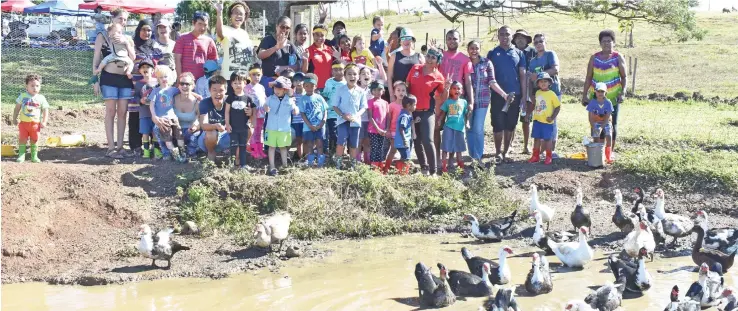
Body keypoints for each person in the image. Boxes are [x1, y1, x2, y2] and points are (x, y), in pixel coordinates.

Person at [92, 8, 134, 159]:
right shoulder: (102, 36)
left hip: (125, 80)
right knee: (111, 111)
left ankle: (121, 146)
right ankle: (111, 148)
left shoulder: (128, 38)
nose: (123, 22)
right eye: (120, 18)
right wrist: (94, 80)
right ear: (113, 18)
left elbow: (133, 58)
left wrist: (126, 44)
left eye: (125, 20)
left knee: (123, 113)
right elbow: (96, 59)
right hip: (108, 78)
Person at [487, 25, 527, 164]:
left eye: (507, 34)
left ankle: (506, 151)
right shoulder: (492, 53)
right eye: (502, 34)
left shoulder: (519, 54)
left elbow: (522, 75)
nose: (505, 37)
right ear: (498, 36)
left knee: (510, 124)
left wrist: (523, 95)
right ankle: (498, 153)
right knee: (498, 124)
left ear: (512, 37)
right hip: (497, 95)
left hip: (514, 95)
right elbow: (488, 76)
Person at [582, 29, 627, 150]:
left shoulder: (618, 57)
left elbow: (624, 77)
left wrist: (622, 93)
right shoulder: (594, 58)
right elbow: (588, 77)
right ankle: (598, 150)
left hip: (612, 98)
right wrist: (584, 95)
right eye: (604, 41)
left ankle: (609, 152)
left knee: (611, 124)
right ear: (600, 43)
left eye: (609, 41)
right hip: (596, 98)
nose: (606, 43)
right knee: (595, 123)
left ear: (614, 42)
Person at [467, 40, 509, 167]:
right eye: (472, 48)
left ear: (480, 49)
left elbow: (492, 81)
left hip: (482, 101)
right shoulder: (465, 62)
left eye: (477, 48)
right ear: (468, 49)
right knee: (469, 129)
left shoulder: (486, 63)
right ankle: (472, 157)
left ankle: (478, 158)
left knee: (478, 129)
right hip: (467, 102)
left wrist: (504, 94)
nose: (474, 51)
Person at [437, 29, 474, 172]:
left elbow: (469, 82)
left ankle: (452, 159)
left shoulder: (465, 59)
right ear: (446, 40)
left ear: (460, 40)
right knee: (438, 128)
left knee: (455, 128)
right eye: (449, 38)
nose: (452, 41)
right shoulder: (441, 56)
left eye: (455, 38)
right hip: (440, 96)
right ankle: (438, 159)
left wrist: (471, 101)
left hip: (457, 99)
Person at [406, 47, 446, 176]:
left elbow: (442, 96)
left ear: (438, 61)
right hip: (412, 111)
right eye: (428, 56)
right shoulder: (415, 68)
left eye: (433, 58)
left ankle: (433, 171)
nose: (429, 59)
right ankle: (424, 168)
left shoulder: (439, 77)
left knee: (428, 140)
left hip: (427, 111)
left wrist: (447, 88)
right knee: (416, 139)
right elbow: (407, 85)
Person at [528, 33, 561, 156]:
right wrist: (531, 95)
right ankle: (540, 151)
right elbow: (530, 78)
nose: (538, 44)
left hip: (553, 92)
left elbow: (555, 69)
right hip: (538, 95)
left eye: (540, 41)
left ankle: (551, 150)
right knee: (540, 120)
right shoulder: (533, 61)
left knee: (552, 119)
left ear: (545, 42)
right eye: (535, 42)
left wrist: (539, 75)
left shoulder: (550, 54)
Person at [331, 64, 367, 169]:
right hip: (342, 121)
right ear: (345, 76)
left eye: (355, 74)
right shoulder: (340, 89)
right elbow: (335, 106)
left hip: (355, 122)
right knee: (341, 142)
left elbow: (363, 107)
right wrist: (343, 115)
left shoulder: (361, 91)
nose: (352, 76)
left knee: (354, 144)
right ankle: (338, 163)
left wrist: (356, 116)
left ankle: (353, 164)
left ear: (358, 76)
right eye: (349, 74)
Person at [215, 1, 255, 94]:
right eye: (236, 13)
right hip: (229, 78)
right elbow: (220, 33)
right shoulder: (225, 29)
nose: (238, 16)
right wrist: (219, 13)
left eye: (241, 14)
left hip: (243, 79)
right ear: (230, 15)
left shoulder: (245, 34)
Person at [129, 19, 156, 156]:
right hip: (135, 87)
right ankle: (136, 146)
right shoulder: (132, 46)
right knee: (135, 115)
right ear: (138, 30)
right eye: (144, 29)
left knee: (151, 115)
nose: (147, 32)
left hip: (152, 88)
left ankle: (154, 145)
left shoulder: (154, 47)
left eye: (149, 30)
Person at [146, 65, 184, 162]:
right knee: (167, 139)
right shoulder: (156, 91)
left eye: (165, 76)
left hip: (173, 118)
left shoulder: (173, 89)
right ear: (158, 79)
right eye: (161, 77)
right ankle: (176, 156)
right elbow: (151, 104)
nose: (164, 79)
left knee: (179, 135)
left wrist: (196, 95)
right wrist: (154, 116)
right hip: (163, 119)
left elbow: (184, 92)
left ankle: (183, 153)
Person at [264, 77, 300, 176]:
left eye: (280, 88)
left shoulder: (289, 100)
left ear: (285, 90)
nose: (277, 90)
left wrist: (296, 110)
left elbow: (295, 109)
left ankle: (285, 166)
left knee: (283, 147)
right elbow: (265, 106)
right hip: (271, 128)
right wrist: (266, 108)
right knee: (271, 147)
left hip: (284, 129)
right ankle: (272, 167)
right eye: (276, 88)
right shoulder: (270, 98)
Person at [257, 16, 299, 94]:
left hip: (284, 84)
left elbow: (297, 65)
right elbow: (260, 55)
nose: (285, 30)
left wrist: (284, 68)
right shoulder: (268, 40)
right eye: (282, 27)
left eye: (287, 28)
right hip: (268, 82)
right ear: (277, 27)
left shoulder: (290, 45)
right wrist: (276, 47)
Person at [13, 74, 49, 163]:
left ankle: (34, 156)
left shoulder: (41, 98)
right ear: (27, 87)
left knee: (35, 139)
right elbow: (17, 108)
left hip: (35, 124)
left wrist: (44, 121)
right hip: (24, 124)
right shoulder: (22, 96)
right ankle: (21, 155)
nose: (35, 88)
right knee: (22, 139)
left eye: (37, 86)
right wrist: (14, 118)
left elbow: (45, 110)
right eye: (32, 86)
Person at [174, 11, 218, 81]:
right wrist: (180, 79)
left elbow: (214, 62)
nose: (202, 28)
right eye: (200, 24)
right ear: (193, 23)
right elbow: (177, 60)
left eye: (205, 25)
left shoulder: (209, 41)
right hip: (186, 82)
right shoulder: (182, 38)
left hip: (203, 81)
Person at [527, 72, 560, 165]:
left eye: (545, 81)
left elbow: (558, 107)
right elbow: (535, 104)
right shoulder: (537, 93)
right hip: (537, 120)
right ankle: (535, 156)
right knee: (536, 138)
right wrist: (528, 113)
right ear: (537, 84)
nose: (543, 83)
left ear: (549, 83)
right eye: (541, 82)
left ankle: (548, 156)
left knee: (547, 139)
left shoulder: (552, 94)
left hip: (547, 121)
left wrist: (552, 117)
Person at [300, 73, 329, 167]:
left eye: (312, 86)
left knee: (320, 143)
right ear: (304, 86)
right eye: (307, 86)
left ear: (315, 86)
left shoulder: (319, 97)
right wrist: (309, 125)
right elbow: (303, 114)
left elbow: (325, 110)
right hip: (308, 127)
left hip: (319, 126)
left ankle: (320, 163)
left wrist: (322, 122)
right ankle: (310, 162)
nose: (309, 88)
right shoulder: (302, 99)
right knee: (310, 144)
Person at [225, 71, 253, 169]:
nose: (237, 85)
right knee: (233, 146)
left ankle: (243, 165)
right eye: (235, 83)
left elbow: (252, 112)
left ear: (245, 83)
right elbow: (227, 112)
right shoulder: (230, 98)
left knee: (243, 146)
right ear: (231, 84)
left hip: (244, 127)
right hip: (233, 127)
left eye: (240, 82)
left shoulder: (248, 98)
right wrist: (227, 124)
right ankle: (232, 165)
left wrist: (251, 117)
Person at [198, 75, 230, 161]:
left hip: (224, 136)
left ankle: (236, 156)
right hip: (207, 139)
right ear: (209, 90)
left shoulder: (230, 101)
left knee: (245, 129)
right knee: (211, 132)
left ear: (226, 90)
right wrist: (215, 126)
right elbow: (203, 125)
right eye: (214, 90)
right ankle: (211, 153)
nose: (218, 93)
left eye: (221, 90)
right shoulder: (204, 103)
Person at [439, 81, 469, 173]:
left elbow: (465, 115)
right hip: (448, 127)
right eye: (454, 88)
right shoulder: (448, 102)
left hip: (460, 128)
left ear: (462, 91)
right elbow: (443, 114)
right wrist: (439, 120)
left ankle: (460, 167)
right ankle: (444, 167)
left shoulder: (464, 102)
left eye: (458, 88)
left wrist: (467, 123)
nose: (456, 90)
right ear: (451, 90)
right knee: (445, 147)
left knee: (459, 149)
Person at [387, 28, 424, 103]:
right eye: (403, 38)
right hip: (399, 97)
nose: (406, 41)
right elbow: (389, 77)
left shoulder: (419, 56)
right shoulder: (394, 56)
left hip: (415, 97)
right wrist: (391, 95)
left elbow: (424, 77)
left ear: (412, 41)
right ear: (400, 41)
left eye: (408, 38)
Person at [134, 58, 160, 159]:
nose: (145, 69)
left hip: (156, 113)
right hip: (144, 113)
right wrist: (140, 100)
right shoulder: (138, 84)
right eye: (143, 67)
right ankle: (146, 151)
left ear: (152, 70)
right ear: (139, 70)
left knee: (155, 132)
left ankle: (156, 150)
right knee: (145, 132)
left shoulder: (157, 83)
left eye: (148, 67)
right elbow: (136, 96)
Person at [173, 72, 201, 161]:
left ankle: (191, 153)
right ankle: (167, 152)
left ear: (192, 86)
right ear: (178, 85)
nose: (184, 86)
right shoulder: (172, 98)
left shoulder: (197, 101)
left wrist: (195, 125)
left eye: (187, 84)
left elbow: (199, 119)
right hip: (176, 132)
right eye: (182, 84)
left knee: (195, 135)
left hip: (190, 132)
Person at [321, 60, 346, 155]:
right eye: (335, 70)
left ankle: (341, 151)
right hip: (331, 113)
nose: (338, 72)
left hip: (343, 114)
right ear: (332, 71)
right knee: (333, 133)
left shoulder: (346, 83)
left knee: (342, 134)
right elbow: (325, 95)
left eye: (340, 69)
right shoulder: (329, 82)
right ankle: (332, 152)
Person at [382, 80, 407, 174]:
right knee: (393, 150)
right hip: (394, 132)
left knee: (403, 152)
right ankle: (386, 168)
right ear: (394, 92)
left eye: (403, 90)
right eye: (398, 90)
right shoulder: (391, 105)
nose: (401, 92)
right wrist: (387, 130)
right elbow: (388, 119)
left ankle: (401, 170)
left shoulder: (407, 106)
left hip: (404, 133)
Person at [587, 82, 615, 164]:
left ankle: (608, 156)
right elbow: (590, 118)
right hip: (595, 122)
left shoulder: (608, 103)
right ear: (595, 92)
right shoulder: (592, 103)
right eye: (598, 91)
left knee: (608, 136)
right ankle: (597, 155)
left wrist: (601, 127)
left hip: (606, 122)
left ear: (605, 92)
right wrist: (594, 127)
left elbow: (607, 118)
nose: (600, 93)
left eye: (602, 92)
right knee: (596, 137)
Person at [302, 24, 336, 89]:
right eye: (317, 35)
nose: (319, 38)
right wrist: (306, 60)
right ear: (313, 35)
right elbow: (304, 72)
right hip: (315, 88)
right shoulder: (309, 50)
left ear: (325, 36)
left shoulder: (330, 49)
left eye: (322, 35)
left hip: (329, 87)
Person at [246, 64, 267, 159]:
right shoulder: (247, 88)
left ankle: (260, 150)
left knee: (259, 131)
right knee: (253, 132)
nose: (256, 77)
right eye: (254, 74)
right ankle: (254, 151)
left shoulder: (261, 87)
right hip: (253, 115)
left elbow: (264, 99)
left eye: (258, 74)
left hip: (262, 113)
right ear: (249, 75)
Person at [367, 81, 388, 169]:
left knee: (381, 148)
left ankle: (380, 166)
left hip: (383, 131)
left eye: (379, 89)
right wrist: (378, 129)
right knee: (374, 148)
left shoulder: (385, 103)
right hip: (373, 130)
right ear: (371, 91)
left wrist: (386, 128)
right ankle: (373, 167)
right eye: (374, 90)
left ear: (383, 91)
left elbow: (387, 117)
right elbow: (370, 117)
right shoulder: (370, 102)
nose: (377, 92)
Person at [394, 95, 417, 175]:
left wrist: (414, 121)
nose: (415, 107)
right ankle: (403, 174)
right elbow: (401, 128)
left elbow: (407, 125)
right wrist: (404, 140)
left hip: (402, 142)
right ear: (408, 105)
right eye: (414, 105)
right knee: (406, 158)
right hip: (403, 142)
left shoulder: (405, 114)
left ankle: (401, 172)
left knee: (404, 157)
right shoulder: (405, 116)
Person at [291, 72, 306, 161]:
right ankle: (301, 158)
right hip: (295, 122)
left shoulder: (307, 94)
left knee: (306, 140)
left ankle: (306, 157)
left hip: (305, 121)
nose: (298, 82)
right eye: (296, 80)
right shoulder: (292, 95)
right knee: (299, 141)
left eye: (301, 80)